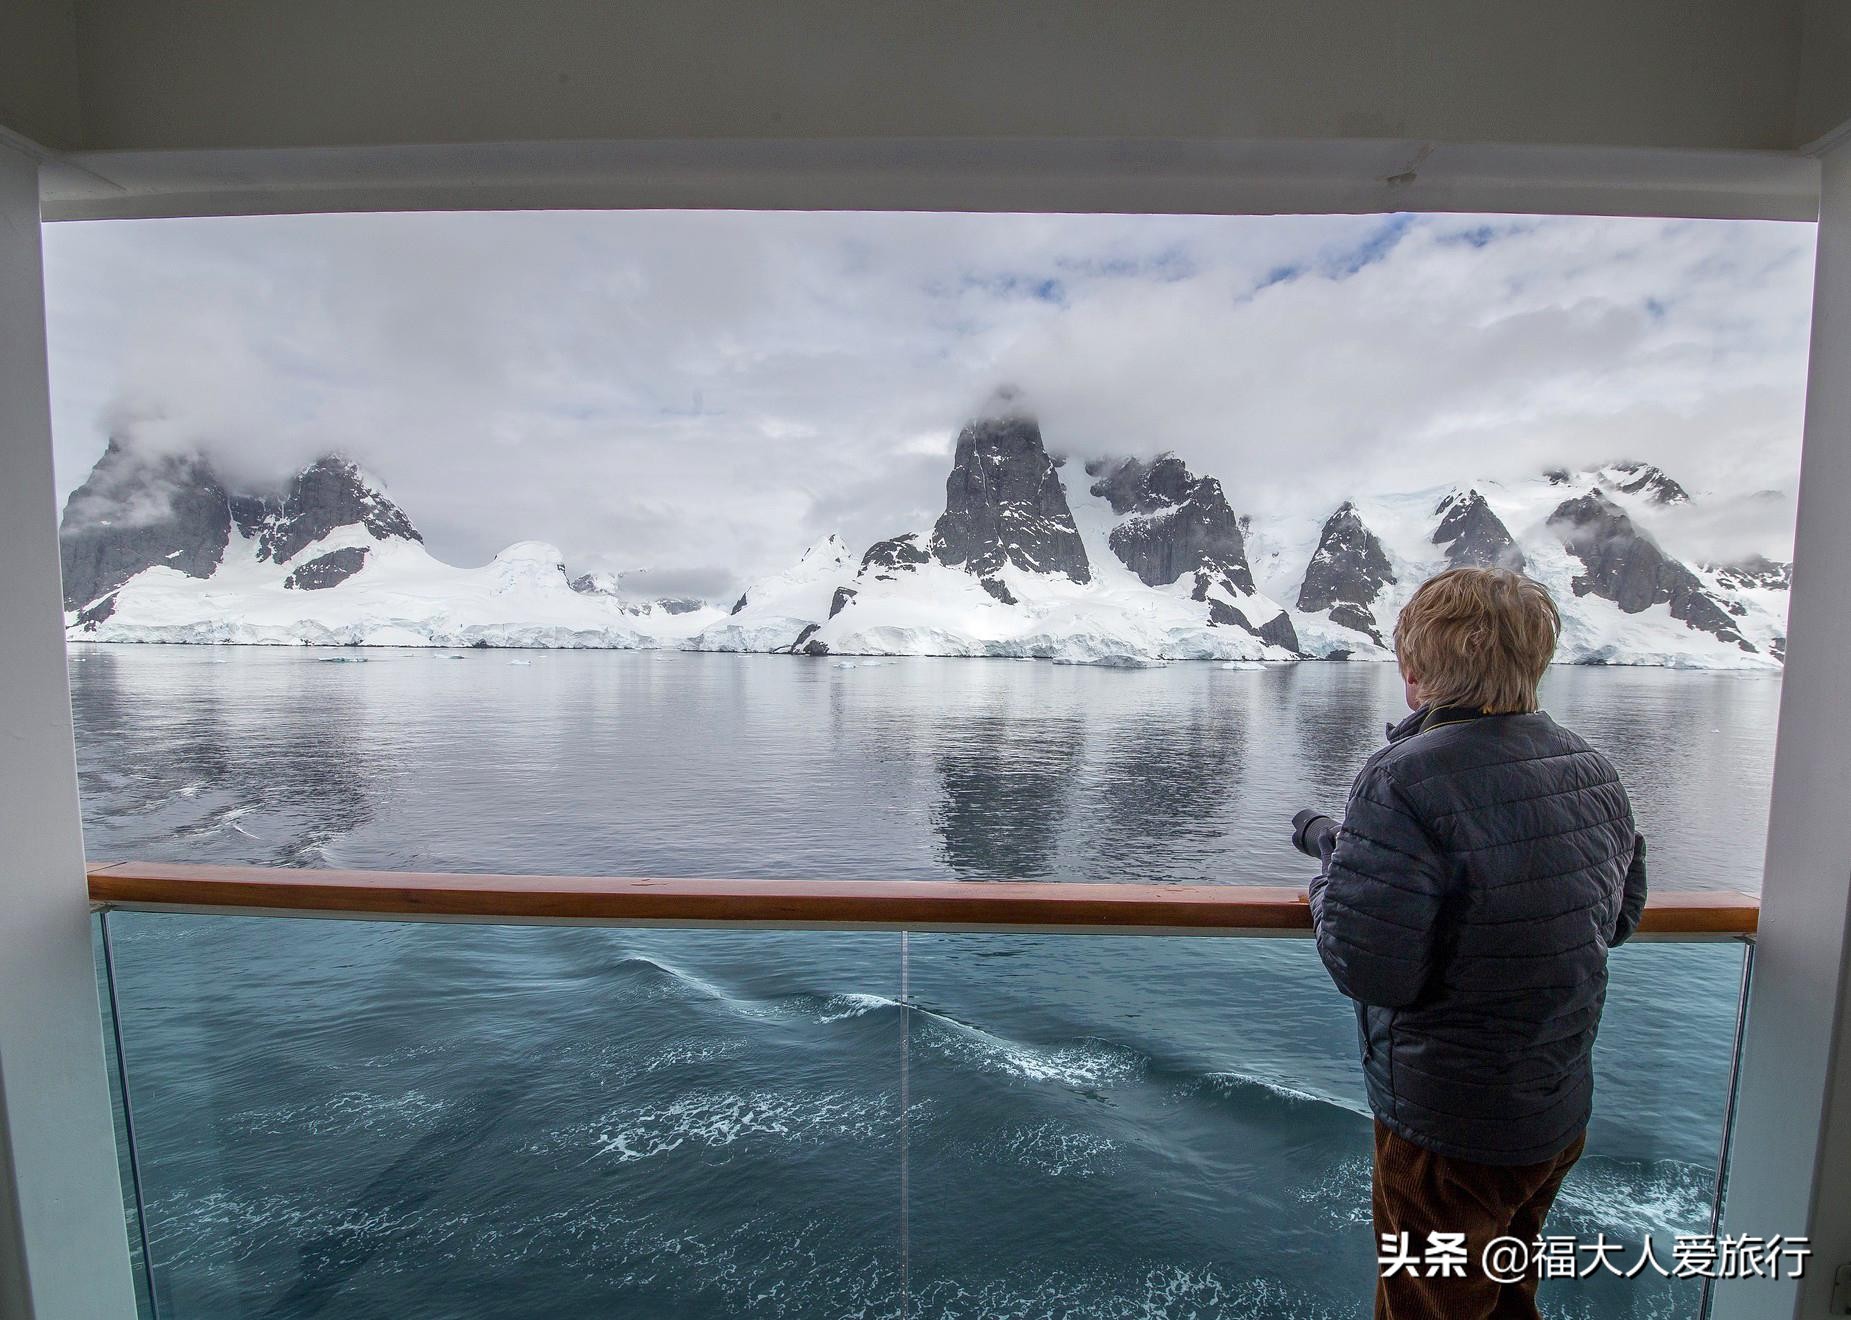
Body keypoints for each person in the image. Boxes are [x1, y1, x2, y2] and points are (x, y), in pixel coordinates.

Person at [1290, 566, 1648, 1320]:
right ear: (1533, 661)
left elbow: (1368, 966)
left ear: (1416, 672)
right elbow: (1618, 918)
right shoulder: (1593, 769)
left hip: (1450, 1126)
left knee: (1427, 1309)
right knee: (1507, 1299)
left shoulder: (1400, 779)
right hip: (1553, 1110)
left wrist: (1329, 873)